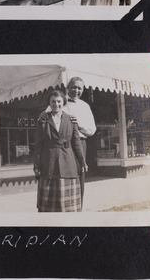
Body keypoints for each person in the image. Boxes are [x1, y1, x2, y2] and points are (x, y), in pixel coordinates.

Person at [33, 90, 85, 213]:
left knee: (68, 207)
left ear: (64, 102)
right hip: (48, 162)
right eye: (53, 101)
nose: (56, 104)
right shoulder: (43, 120)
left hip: (68, 162)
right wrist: (36, 165)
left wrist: (82, 162)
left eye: (59, 101)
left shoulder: (71, 120)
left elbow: (76, 143)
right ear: (49, 103)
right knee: (49, 205)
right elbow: (39, 144)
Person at [64, 77, 97, 211]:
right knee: (64, 176)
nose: (76, 90)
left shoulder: (85, 106)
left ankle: (78, 210)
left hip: (81, 143)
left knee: (80, 175)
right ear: (67, 87)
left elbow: (92, 129)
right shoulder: (59, 102)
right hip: (64, 145)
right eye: (73, 87)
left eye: (79, 88)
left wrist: (78, 126)